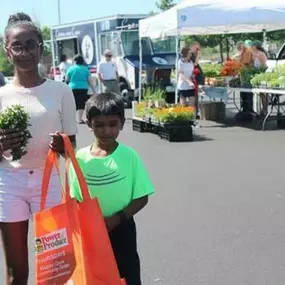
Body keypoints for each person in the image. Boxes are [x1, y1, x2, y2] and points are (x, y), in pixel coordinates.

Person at [0, 12, 77, 285]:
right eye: (16, 46)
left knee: (55, 268)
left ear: (40, 46)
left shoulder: (61, 91)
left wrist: (63, 145)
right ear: (7, 51)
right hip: (9, 184)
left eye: (30, 44)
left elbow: (72, 149)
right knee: (16, 273)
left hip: (50, 183)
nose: (24, 52)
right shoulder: (1, 96)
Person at [69, 93, 155, 285]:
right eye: (99, 125)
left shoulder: (129, 156)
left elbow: (141, 197)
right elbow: (75, 197)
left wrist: (117, 219)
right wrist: (87, 225)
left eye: (112, 124)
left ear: (122, 124)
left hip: (122, 227)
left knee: (127, 273)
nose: (106, 131)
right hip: (91, 232)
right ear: (89, 124)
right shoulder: (80, 158)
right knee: (95, 275)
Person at [66, 54, 96, 124]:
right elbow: (89, 80)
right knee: (81, 103)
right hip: (83, 87)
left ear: (75, 61)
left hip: (72, 87)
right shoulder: (85, 69)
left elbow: (67, 79)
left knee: (73, 103)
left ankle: (72, 119)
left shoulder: (71, 69)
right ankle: (79, 119)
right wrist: (94, 89)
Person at [236, 41, 254, 116]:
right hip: (243, 74)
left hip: (247, 74)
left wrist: (238, 64)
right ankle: (244, 108)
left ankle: (249, 109)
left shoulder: (248, 51)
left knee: (248, 91)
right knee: (243, 91)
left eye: (240, 49)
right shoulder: (243, 52)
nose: (239, 51)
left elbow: (246, 62)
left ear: (242, 47)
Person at [252, 40, 268, 114]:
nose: (251, 47)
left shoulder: (261, 54)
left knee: (262, 94)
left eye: (252, 45)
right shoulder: (253, 53)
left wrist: (257, 71)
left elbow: (264, 66)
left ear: (256, 46)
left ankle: (264, 109)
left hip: (261, 76)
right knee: (258, 93)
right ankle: (257, 110)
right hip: (255, 76)